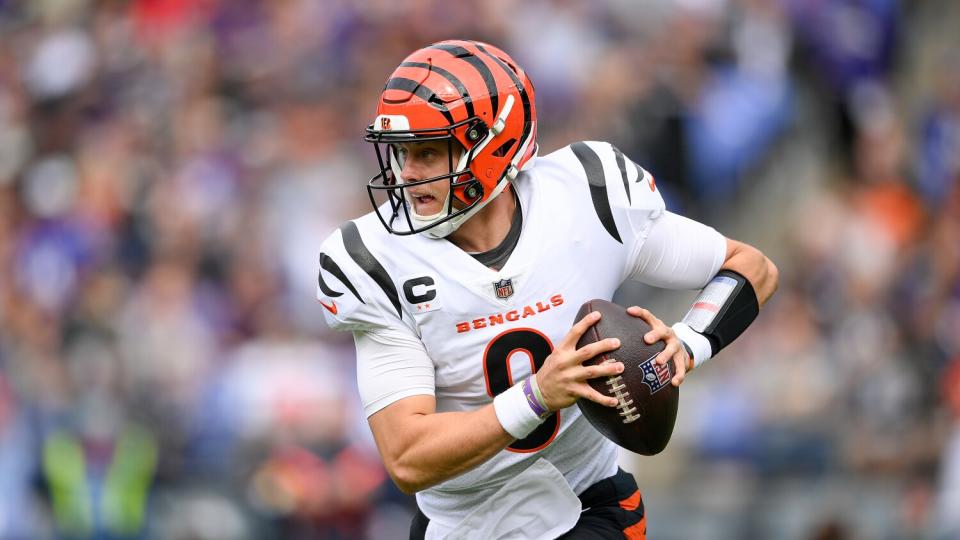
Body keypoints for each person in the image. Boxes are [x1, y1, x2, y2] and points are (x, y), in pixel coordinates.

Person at [316, 39, 778, 539]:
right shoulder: (373, 258)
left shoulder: (586, 195)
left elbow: (751, 266)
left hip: (588, 505)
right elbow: (408, 457)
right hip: (462, 524)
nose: (407, 174)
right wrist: (538, 395)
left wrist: (687, 344)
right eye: (402, 153)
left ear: (491, 144)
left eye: (427, 152)